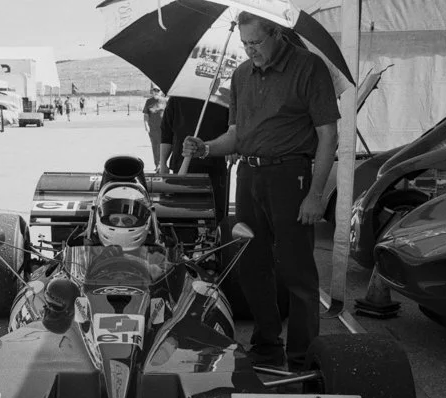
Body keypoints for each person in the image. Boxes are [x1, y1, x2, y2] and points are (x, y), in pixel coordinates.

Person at [182, 12, 340, 370]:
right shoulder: (241, 75)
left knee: (297, 271)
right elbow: (236, 135)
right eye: (244, 43)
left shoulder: (308, 67)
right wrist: (206, 148)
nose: (250, 50)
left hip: (290, 177)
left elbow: (328, 135)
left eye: (255, 42)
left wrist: (315, 194)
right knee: (251, 266)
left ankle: (302, 357)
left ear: (276, 34)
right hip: (249, 176)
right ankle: (267, 345)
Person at [159, 96, 230, 221]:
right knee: (183, 214)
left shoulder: (224, 99)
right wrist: (163, 163)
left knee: (215, 215)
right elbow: (166, 134)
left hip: (215, 167)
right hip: (182, 167)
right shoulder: (177, 98)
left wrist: (232, 150)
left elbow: (232, 131)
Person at [142, 86, 166, 169]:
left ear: (161, 92)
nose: (155, 92)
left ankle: (163, 164)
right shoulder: (149, 101)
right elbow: (146, 115)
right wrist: (146, 125)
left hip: (163, 128)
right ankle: (157, 164)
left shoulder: (165, 101)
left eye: (157, 90)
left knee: (163, 146)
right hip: (153, 128)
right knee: (155, 146)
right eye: (154, 90)